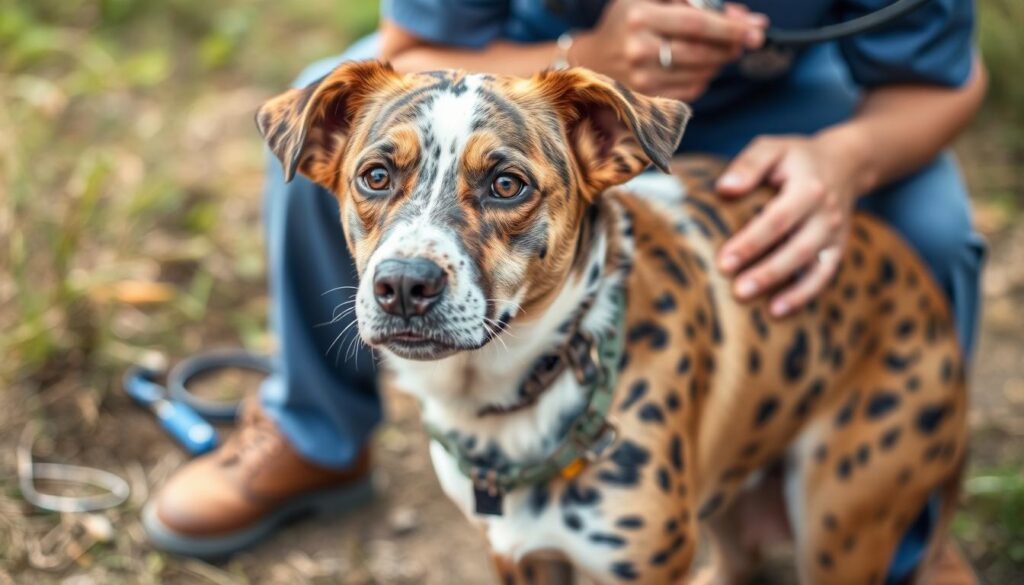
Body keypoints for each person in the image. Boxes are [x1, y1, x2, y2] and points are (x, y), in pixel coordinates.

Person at [143, 1, 986, 581]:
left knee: (934, 225)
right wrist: (583, 62)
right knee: (340, 75)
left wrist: (850, 159)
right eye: (375, 179)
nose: (407, 268)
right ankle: (313, 430)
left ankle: (909, 535)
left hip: (780, 101)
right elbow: (404, 44)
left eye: (501, 189)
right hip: (522, 80)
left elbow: (945, 79)